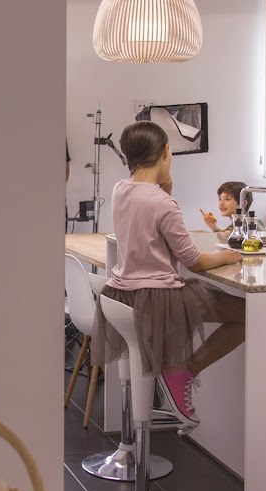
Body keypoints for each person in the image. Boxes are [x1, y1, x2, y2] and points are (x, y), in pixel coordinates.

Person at [91, 121, 245, 428]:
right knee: (246, 314)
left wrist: (165, 192)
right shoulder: (163, 203)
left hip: (122, 294)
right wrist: (227, 256)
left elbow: (146, 216)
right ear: (165, 153)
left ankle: (168, 379)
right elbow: (194, 260)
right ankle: (184, 371)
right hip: (157, 299)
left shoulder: (120, 189)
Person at [199, 181, 266, 233]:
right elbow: (229, 233)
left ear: (243, 203)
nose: (221, 203)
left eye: (227, 199)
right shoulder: (244, 219)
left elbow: (227, 234)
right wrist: (214, 227)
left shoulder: (247, 221)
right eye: (220, 199)